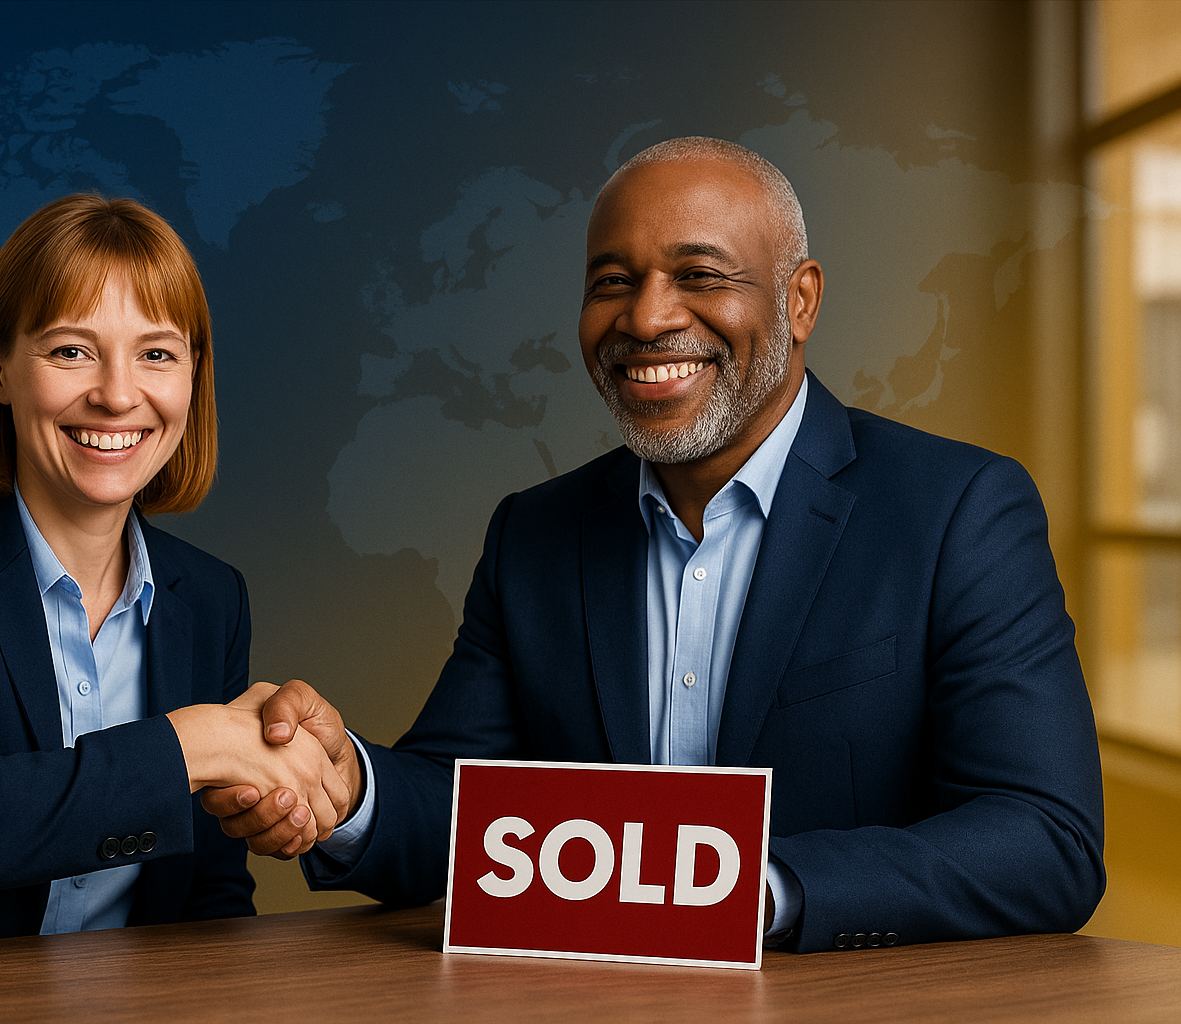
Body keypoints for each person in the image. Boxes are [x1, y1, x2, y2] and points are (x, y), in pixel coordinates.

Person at [201, 138, 1107, 953]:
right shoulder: (536, 534)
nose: (644, 319)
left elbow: (1044, 837)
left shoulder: (957, 509)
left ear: (800, 300)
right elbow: (467, 811)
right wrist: (345, 787)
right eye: (610, 281)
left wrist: (751, 892)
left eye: (700, 274)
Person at [0, 195, 347, 953]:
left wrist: (264, 800)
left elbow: (207, 895)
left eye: (157, 353)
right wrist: (195, 746)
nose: (118, 395)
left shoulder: (211, 598)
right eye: (71, 351)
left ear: (193, 376)